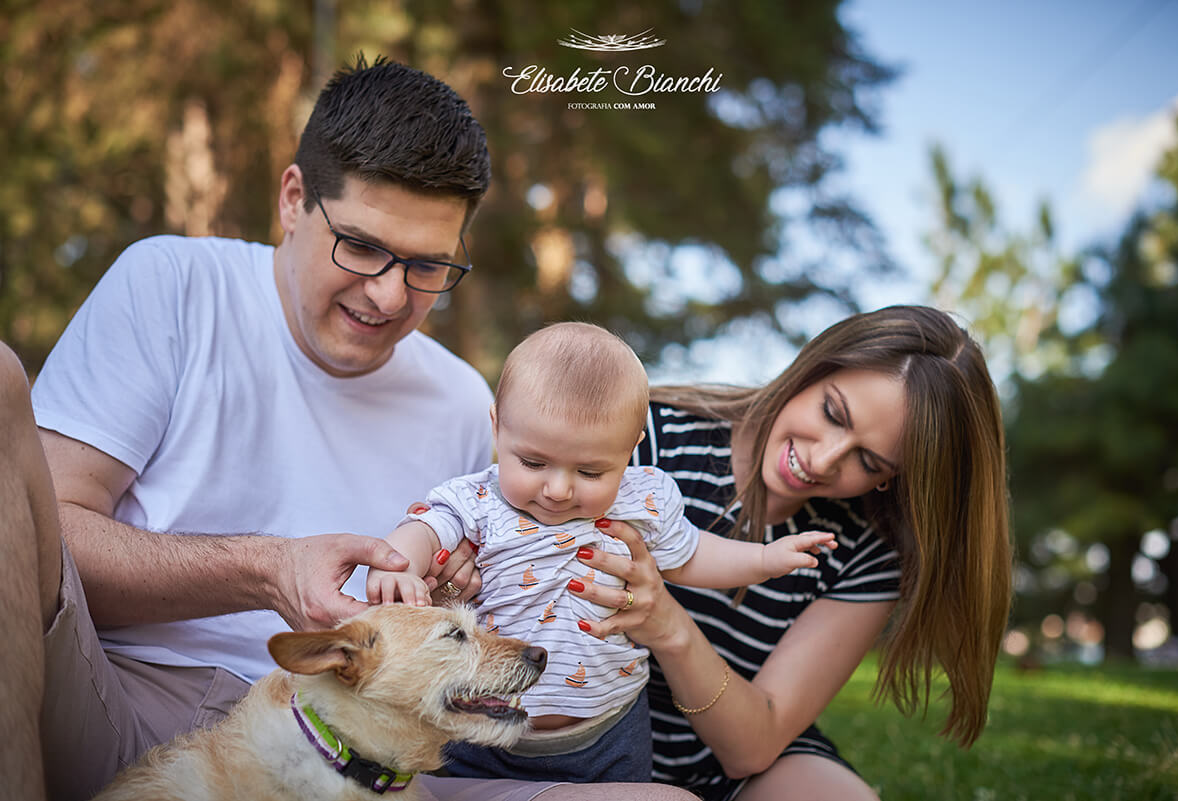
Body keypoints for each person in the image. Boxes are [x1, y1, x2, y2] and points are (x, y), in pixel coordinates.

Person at [22, 55, 697, 801]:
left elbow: (497, 599)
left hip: (375, 755)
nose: (388, 294)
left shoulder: (461, 399)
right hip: (124, 701)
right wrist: (265, 568)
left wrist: (466, 585)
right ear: (292, 199)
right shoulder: (175, 284)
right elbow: (39, 542)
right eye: (364, 246)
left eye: (428, 265)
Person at [561, 305, 1012, 801]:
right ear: (813, 368)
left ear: (892, 478)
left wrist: (668, 624)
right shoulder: (645, 441)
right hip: (583, 737)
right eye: (832, 413)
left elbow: (752, 749)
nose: (820, 461)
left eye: (867, 460)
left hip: (734, 762)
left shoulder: (867, 553)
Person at [366, 322, 836, 784]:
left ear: (631, 449)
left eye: (591, 472)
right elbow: (425, 528)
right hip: (480, 719)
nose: (557, 489)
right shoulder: (479, 500)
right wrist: (401, 566)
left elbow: (691, 556)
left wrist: (764, 558)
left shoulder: (640, 500)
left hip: (610, 729)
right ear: (497, 426)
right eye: (532, 463)